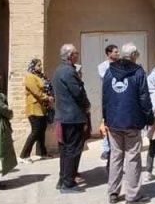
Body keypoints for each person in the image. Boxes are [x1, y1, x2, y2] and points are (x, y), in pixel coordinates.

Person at [103, 43, 154, 204]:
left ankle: (113, 192)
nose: (137, 56)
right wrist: (149, 118)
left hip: (113, 121)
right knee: (132, 157)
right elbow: (144, 97)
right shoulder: (138, 72)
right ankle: (133, 195)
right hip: (132, 120)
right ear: (133, 55)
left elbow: (105, 96)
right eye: (137, 54)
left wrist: (105, 118)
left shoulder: (109, 71)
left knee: (115, 156)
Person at [53, 43, 90, 193]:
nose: (77, 55)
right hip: (72, 117)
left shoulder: (59, 70)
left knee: (65, 150)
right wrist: (87, 105)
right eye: (76, 53)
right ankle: (68, 183)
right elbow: (78, 92)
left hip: (64, 116)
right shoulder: (68, 71)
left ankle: (63, 179)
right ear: (70, 56)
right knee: (73, 150)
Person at [21, 57, 52, 161]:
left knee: (42, 130)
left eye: (40, 65)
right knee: (35, 131)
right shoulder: (30, 77)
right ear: (33, 66)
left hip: (42, 107)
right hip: (34, 107)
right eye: (38, 65)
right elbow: (36, 91)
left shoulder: (40, 76)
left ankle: (42, 153)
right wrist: (47, 97)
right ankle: (24, 155)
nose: (40, 67)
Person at [97, 45, 119, 162]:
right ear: (109, 53)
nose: (118, 54)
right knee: (107, 123)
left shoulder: (121, 65)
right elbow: (108, 78)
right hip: (108, 98)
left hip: (119, 97)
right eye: (115, 52)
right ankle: (106, 149)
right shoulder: (102, 66)